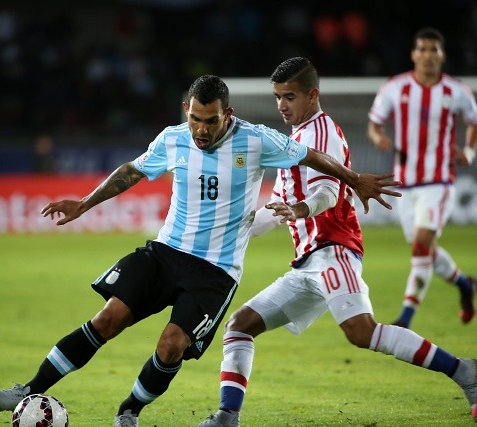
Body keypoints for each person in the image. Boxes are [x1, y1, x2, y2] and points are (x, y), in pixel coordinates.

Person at [0, 74, 401, 427]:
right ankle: (29, 389)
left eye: (211, 121)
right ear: (187, 110)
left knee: (171, 345)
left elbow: (313, 155)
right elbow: (131, 170)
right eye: (196, 119)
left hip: (215, 272)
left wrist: (353, 178)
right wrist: (84, 204)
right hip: (166, 253)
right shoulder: (173, 139)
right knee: (108, 317)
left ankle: (130, 410)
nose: (201, 130)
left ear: (228, 115)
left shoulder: (258, 141)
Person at [193, 57, 477, 427]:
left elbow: (328, 193)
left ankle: (464, 372)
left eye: (289, 96)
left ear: (313, 95)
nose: (281, 105)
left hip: (333, 250)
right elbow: (274, 211)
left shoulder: (320, 132)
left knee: (362, 331)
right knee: (240, 325)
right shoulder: (295, 139)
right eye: (277, 97)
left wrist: (298, 210)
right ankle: (228, 417)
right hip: (307, 263)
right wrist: (228, 230)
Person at [367, 27, 477, 329]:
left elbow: (473, 121)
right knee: (424, 248)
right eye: (423, 49)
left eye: (434, 50)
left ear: (442, 55)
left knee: (421, 246)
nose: (428, 55)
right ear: (414, 54)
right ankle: (465, 286)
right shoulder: (395, 88)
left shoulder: (456, 91)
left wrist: (469, 149)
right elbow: (374, 124)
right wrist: (378, 138)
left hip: (438, 182)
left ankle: (405, 317)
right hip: (404, 183)